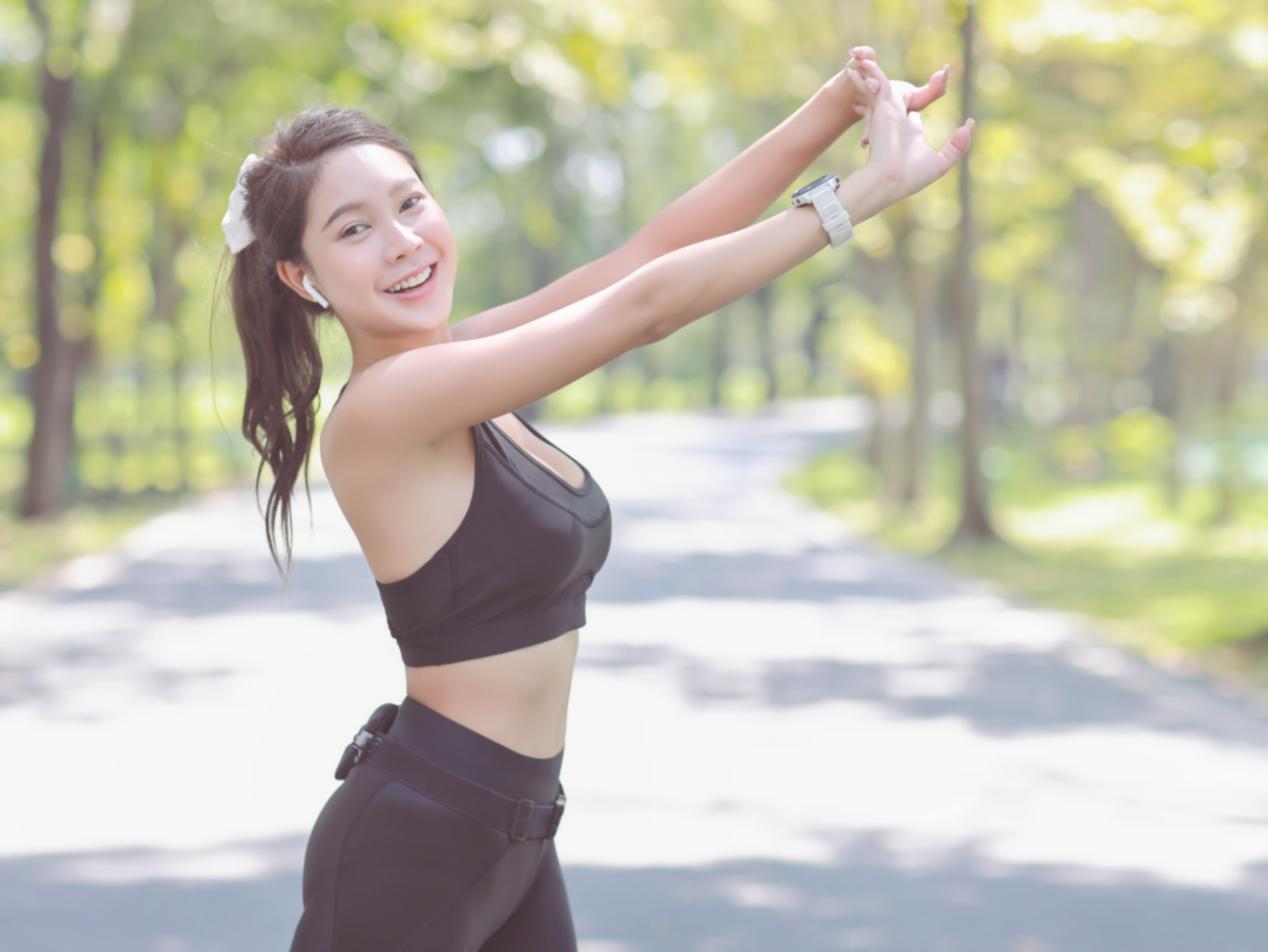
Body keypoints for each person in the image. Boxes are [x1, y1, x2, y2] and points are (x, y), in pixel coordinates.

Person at [219, 46, 972, 952]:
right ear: (303, 280)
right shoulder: (387, 406)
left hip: (513, 833)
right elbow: (643, 308)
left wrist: (832, 107)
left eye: (410, 203)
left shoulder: (452, 362)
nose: (403, 240)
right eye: (353, 230)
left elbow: (647, 257)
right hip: (418, 840)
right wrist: (854, 198)